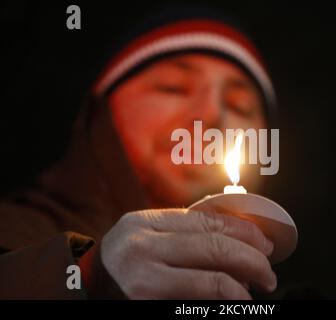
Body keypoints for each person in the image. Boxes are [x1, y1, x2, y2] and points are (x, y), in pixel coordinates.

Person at [0, 10, 282, 299]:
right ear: (101, 113)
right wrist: (85, 277)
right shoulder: (11, 234)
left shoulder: (264, 290)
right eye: (173, 87)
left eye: (239, 106)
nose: (212, 115)